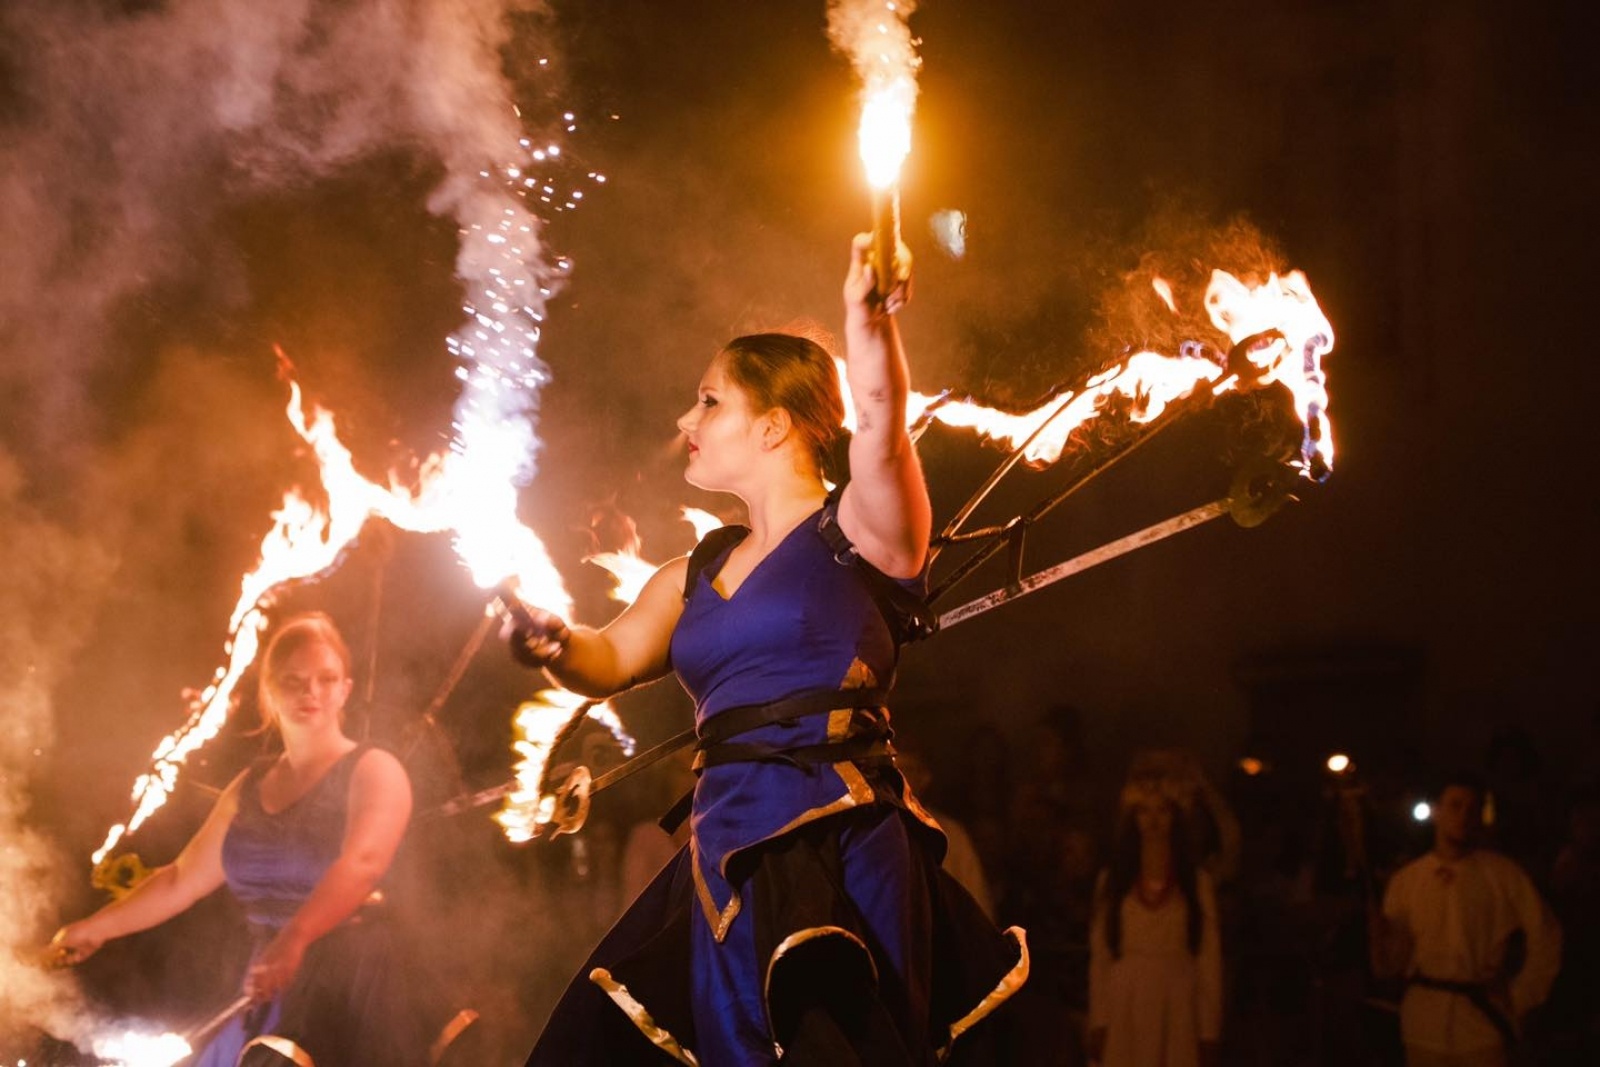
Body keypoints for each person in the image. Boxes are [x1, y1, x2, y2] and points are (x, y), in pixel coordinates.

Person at [507, 236, 1028, 1066]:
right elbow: (604, 660)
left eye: (709, 402)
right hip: (721, 861)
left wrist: (869, 324)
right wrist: (551, 640)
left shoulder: (861, 535)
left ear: (776, 423)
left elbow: (885, 430)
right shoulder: (693, 571)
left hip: (842, 847)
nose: (686, 420)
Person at [49, 612, 473, 1066]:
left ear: (345, 689)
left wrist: (295, 937)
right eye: (294, 681)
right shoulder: (249, 785)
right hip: (268, 985)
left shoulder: (374, 769)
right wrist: (92, 928)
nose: (311, 692)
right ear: (269, 692)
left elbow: (362, 864)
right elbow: (180, 879)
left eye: (326, 679)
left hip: (351, 987)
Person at [1370, 772, 1562, 1067]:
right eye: (1455, 806)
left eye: (1472, 809)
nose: (1463, 816)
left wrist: (1523, 996)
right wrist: (1382, 940)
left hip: (1482, 1026)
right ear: (1436, 811)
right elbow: (1395, 960)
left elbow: (1546, 935)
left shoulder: (1502, 875)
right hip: (1423, 1026)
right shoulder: (1406, 881)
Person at [1088, 774, 1222, 1067]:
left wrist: (1208, 1030)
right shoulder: (1113, 881)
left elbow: (1208, 959)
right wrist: (1099, 1020)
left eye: (1163, 810)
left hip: (1178, 1003)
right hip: (1126, 1002)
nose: (1154, 820)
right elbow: (1101, 956)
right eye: (1144, 811)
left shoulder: (1196, 883)